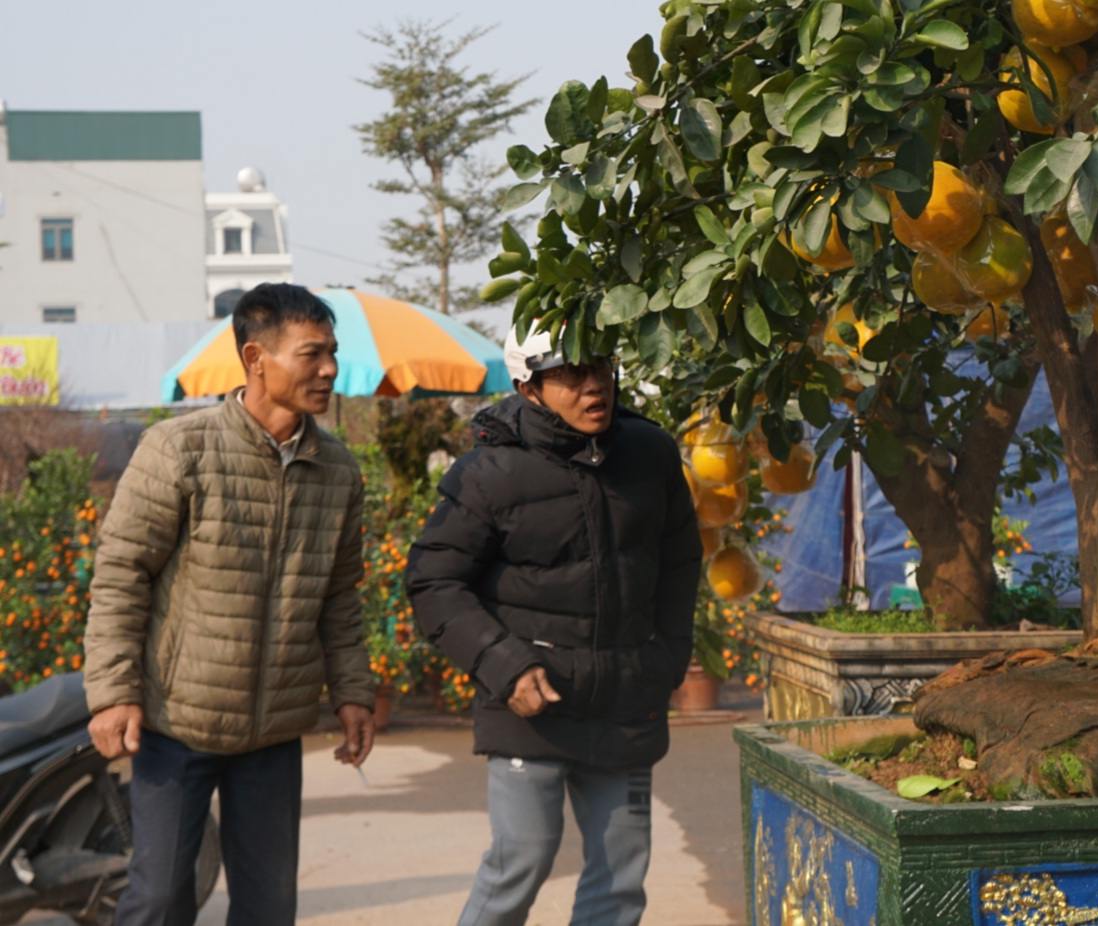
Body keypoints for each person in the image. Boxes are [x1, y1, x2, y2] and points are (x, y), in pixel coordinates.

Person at [84, 283, 376, 926]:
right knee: (159, 899)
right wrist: (112, 692)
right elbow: (121, 574)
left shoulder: (339, 472)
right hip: (175, 722)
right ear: (255, 358)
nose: (328, 369)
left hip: (271, 733)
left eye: (332, 353)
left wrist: (353, 692)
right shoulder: (180, 449)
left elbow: (340, 596)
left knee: (270, 908)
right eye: (312, 354)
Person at [405, 325, 702, 925]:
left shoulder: (650, 453)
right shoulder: (488, 472)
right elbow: (434, 583)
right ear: (529, 387)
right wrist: (503, 665)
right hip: (528, 701)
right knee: (523, 858)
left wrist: (666, 658)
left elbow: (680, 561)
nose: (594, 386)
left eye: (602, 367)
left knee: (621, 876)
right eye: (571, 374)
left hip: (625, 696)